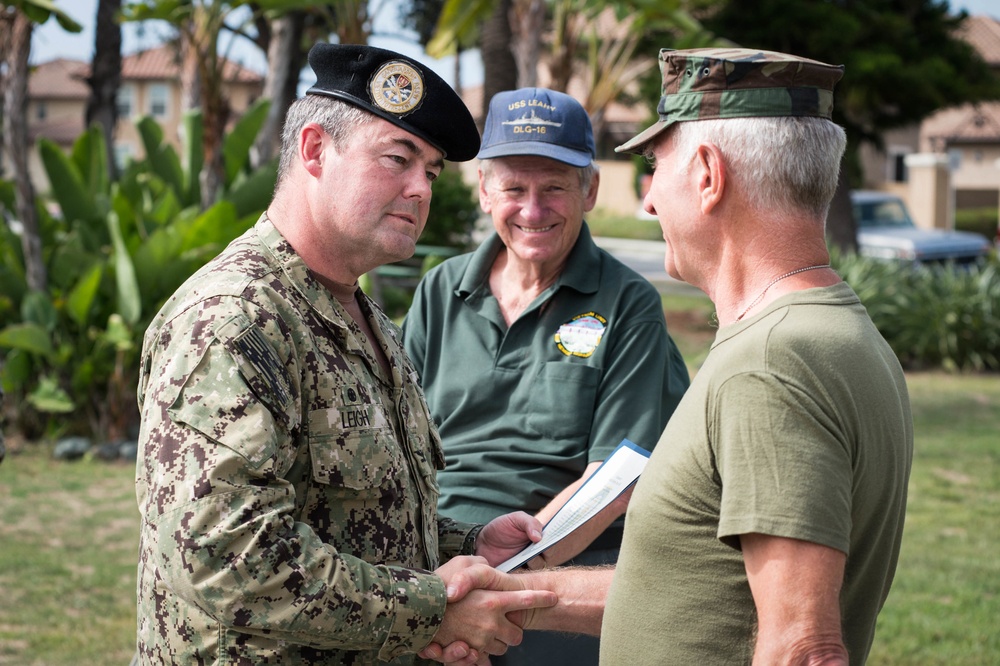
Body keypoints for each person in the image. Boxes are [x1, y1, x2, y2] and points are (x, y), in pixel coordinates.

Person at [428, 47, 914, 666]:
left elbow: (804, 649)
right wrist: (506, 594)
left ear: (707, 175)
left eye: (656, 164)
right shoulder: (831, 334)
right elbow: (693, 589)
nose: (650, 199)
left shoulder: (771, 365)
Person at [133, 43, 558, 666]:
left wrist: (463, 545)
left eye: (432, 171)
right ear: (313, 150)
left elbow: (351, 516)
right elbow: (224, 554)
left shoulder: (361, 318)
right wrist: (431, 609)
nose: (420, 188)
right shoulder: (234, 319)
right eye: (397, 159)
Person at [402, 87, 689, 664]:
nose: (533, 211)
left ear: (590, 190)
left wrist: (489, 583)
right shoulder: (440, 289)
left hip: (548, 568)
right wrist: (424, 586)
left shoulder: (628, 302)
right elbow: (394, 449)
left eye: (554, 187)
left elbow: (615, 481)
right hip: (428, 560)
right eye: (514, 189)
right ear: (484, 191)